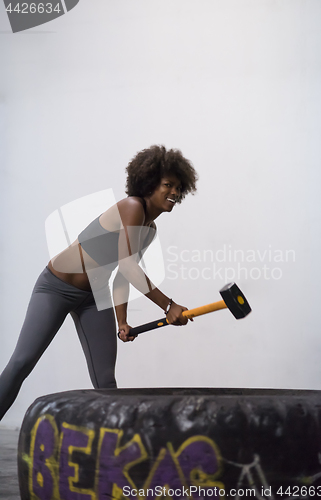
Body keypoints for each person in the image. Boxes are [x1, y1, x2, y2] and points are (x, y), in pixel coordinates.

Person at [0, 145, 198, 420]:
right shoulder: (132, 207)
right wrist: (168, 306)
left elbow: (120, 275)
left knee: (106, 382)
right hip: (56, 287)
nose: (175, 193)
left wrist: (122, 322)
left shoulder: (149, 230)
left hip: (94, 298)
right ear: (150, 184)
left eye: (178, 187)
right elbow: (129, 267)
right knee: (21, 363)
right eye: (168, 185)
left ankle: (114, 453)